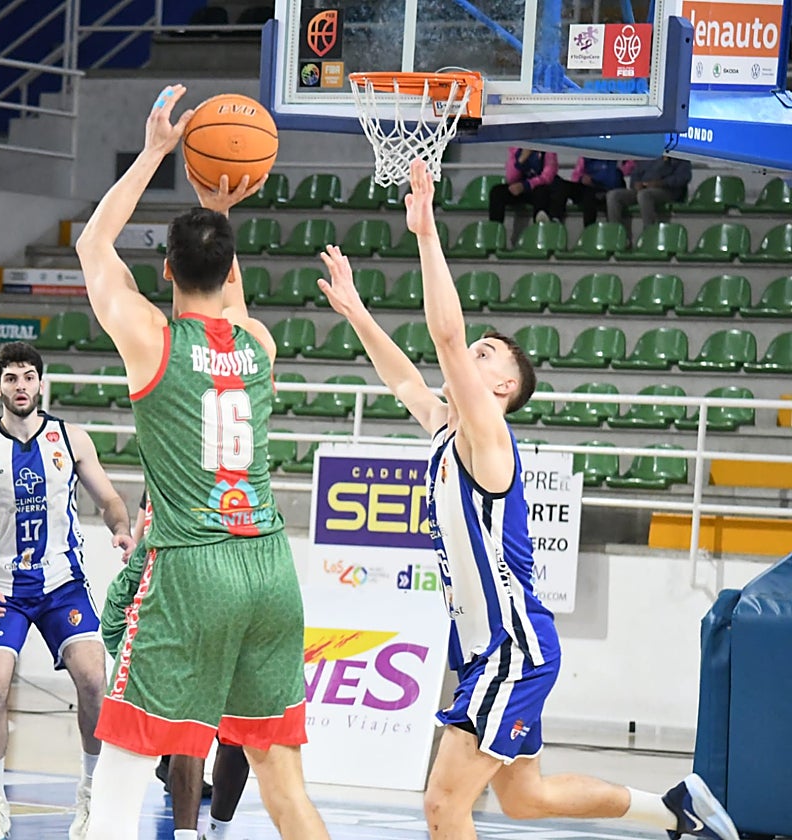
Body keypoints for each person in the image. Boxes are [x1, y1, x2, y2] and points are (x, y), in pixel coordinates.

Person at [316, 157, 739, 840]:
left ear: (503, 391)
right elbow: (403, 380)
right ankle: (674, 809)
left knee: (443, 807)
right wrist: (358, 312)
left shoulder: (489, 436)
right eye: (477, 349)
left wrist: (426, 234)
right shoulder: (449, 428)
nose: (469, 356)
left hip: (511, 648)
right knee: (524, 799)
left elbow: (444, 337)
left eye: (488, 355)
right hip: (495, 647)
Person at [75, 83, 329, 840]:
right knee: (281, 775)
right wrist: (219, 209)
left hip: (194, 566)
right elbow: (227, 293)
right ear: (228, 275)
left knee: (125, 750)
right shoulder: (258, 345)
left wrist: (156, 151)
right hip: (271, 570)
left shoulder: (152, 339)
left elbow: (93, 247)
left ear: (165, 275)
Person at [0, 340, 135, 840]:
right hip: (2, 586)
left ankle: (90, 795)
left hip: (62, 583)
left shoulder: (71, 439)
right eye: (11, 378)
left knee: (95, 680)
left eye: (28, 376)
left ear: (41, 383)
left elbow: (110, 498)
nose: (21, 385)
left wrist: (120, 527)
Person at [101, 490, 251, 840]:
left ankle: (215, 832)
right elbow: (140, 545)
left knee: (236, 733)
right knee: (187, 726)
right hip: (163, 608)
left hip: (225, 602)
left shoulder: (234, 488)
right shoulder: (161, 481)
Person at [606, 155, 693, 232]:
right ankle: (615, 235)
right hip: (643, 188)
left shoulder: (678, 154)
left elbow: (684, 177)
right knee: (613, 195)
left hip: (667, 191)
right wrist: (636, 183)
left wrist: (661, 183)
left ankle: (649, 234)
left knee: (644, 195)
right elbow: (636, 173)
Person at [488, 148, 564, 224]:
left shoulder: (547, 150)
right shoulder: (515, 150)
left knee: (541, 191)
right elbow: (511, 179)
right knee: (497, 192)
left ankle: (539, 227)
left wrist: (526, 185)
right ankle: (494, 228)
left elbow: (548, 177)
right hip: (520, 189)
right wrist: (521, 160)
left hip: (537, 188)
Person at [561, 157, 634, 227]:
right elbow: (575, 176)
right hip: (588, 188)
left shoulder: (617, 157)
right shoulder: (586, 157)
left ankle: (590, 230)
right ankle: (555, 220)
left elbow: (615, 179)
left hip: (607, 189)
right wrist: (582, 178)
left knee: (590, 196)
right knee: (564, 186)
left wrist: (595, 180)